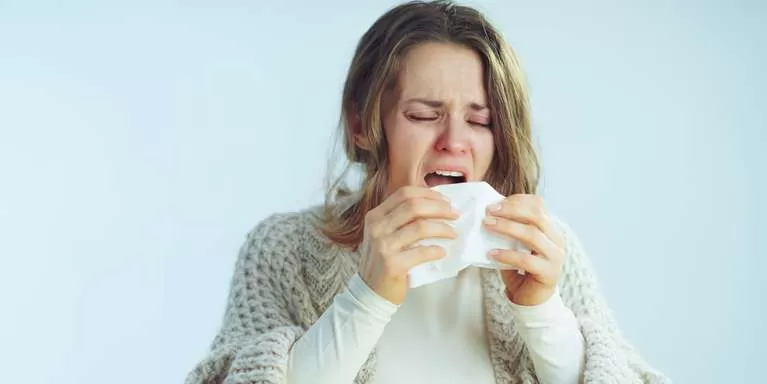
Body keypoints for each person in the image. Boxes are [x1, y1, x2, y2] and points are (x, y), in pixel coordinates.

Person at [185, 1, 669, 383]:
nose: (454, 142)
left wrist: (542, 311)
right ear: (361, 124)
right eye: (422, 115)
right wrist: (367, 297)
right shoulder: (283, 249)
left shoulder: (544, 247)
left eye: (480, 121)